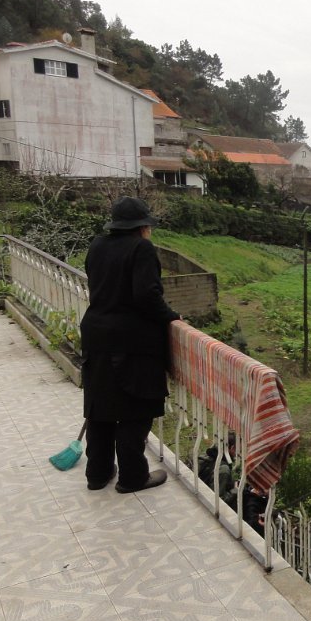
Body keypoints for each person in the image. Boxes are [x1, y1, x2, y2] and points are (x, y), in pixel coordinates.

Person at [80, 196, 180, 493]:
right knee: (135, 409)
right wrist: (172, 316)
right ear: (142, 227)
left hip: (96, 335)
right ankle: (132, 477)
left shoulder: (97, 245)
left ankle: (97, 473)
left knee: (101, 408)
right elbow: (146, 295)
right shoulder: (141, 248)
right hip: (132, 341)